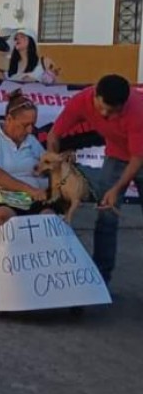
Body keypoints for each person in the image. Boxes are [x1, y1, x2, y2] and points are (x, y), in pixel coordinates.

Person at [48, 74, 143, 284]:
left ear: (124, 104)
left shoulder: (137, 110)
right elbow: (54, 135)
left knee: (111, 197)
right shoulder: (81, 101)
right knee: (106, 216)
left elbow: (137, 159)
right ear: (95, 95)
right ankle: (101, 280)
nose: (105, 114)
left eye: (112, 111)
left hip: (138, 156)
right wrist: (54, 163)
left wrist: (116, 188)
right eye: (102, 108)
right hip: (117, 155)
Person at [0, 90, 51, 224]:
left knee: (49, 217)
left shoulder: (31, 140)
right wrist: (28, 189)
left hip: (30, 198)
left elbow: (46, 164)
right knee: (7, 216)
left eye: (33, 124)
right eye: (25, 125)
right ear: (9, 119)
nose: (30, 130)